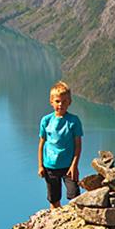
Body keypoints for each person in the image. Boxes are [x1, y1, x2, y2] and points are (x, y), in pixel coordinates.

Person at [37, 81, 82, 209]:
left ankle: (74, 222)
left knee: (75, 197)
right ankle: (55, 223)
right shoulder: (46, 121)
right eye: (57, 101)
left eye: (64, 101)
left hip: (68, 167)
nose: (60, 104)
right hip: (50, 167)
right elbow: (41, 144)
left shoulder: (74, 121)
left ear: (69, 102)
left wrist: (74, 165)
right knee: (54, 199)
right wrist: (40, 166)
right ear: (51, 102)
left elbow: (78, 146)